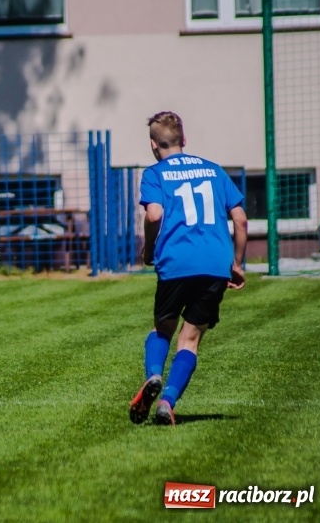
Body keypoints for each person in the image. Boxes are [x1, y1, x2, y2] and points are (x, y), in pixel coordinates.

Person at [129, 111, 247, 426]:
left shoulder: (155, 174)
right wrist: (236, 263)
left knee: (162, 329)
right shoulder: (215, 171)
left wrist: (150, 249)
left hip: (176, 262)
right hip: (215, 265)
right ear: (185, 140)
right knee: (190, 340)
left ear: (154, 145)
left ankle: (153, 375)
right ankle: (167, 400)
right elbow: (240, 219)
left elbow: (154, 215)